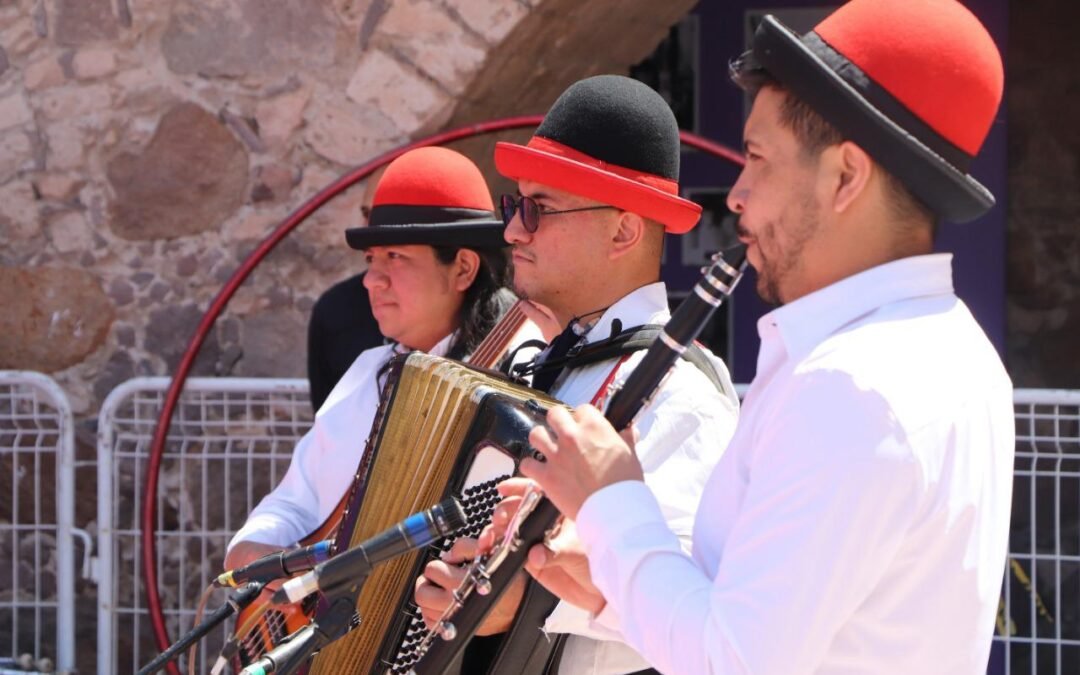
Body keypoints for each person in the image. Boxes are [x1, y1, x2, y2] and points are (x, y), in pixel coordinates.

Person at [504, 1, 1015, 673]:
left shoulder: (851, 385)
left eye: (757, 159)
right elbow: (750, 619)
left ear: (845, 177)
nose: (737, 194)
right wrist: (608, 579)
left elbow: (735, 659)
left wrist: (610, 496)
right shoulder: (954, 348)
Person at [413, 75, 740, 675]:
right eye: (516, 205)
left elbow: (705, 615)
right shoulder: (547, 366)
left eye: (539, 210)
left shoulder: (681, 394)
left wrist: (518, 602)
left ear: (623, 230)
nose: (512, 230)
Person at [225, 146, 515, 569]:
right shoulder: (366, 373)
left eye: (395, 257)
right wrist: (256, 553)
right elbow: (294, 503)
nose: (371, 280)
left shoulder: (517, 377)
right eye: (370, 259)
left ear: (463, 269)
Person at [306, 167, 387, 413]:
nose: (369, 230)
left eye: (385, 215)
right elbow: (328, 424)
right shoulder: (336, 310)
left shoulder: (494, 321)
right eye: (366, 214)